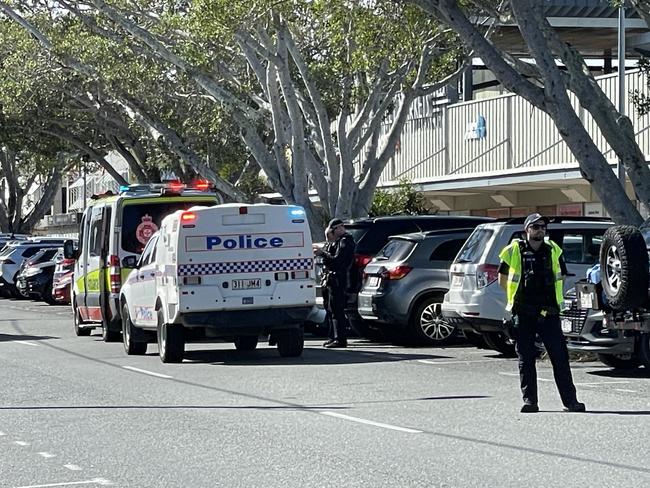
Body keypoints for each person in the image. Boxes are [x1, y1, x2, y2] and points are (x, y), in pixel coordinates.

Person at [498, 213, 586, 414]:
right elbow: (502, 277)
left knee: (560, 357)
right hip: (524, 311)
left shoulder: (553, 249)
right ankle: (530, 401)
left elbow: (560, 275)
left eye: (543, 227)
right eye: (536, 226)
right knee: (526, 358)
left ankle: (571, 402)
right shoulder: (514, 250)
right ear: (527, 229)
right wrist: (516, 298)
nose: (540, 230)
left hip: (549, 312)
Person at [314, 218, 356, 348]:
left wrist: (323, 254)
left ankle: (340, 339)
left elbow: (338, 261)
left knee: (337, 310)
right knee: (330, 309)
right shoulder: (335, 242)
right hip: (330, 279)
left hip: (339, 280)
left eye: (331, 232)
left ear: (338, 228)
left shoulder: (346, 242)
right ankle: (332, 336)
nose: (330, 236)